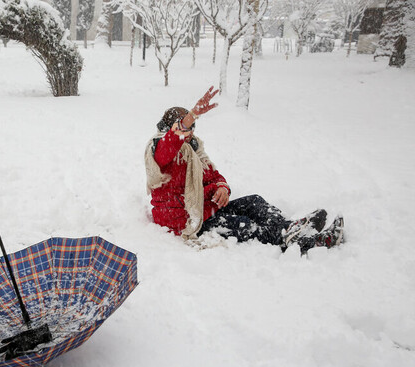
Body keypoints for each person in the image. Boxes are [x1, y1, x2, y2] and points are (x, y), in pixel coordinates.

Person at [144, 86, 344, 254]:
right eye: (187, 127)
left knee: (254, 202)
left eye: (193, 126)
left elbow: (214, 175)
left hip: (204, 206)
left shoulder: (195, 149)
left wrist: (221, 187)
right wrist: (192, 114)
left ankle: (289, 228)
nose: (191, 131)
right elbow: (170, 142)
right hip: (185, 218)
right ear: (173, 129)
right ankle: (306, 242)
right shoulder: (161, 151)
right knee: (243, 224)